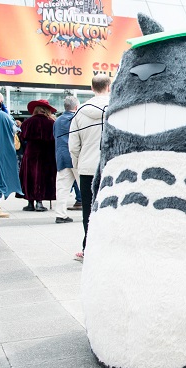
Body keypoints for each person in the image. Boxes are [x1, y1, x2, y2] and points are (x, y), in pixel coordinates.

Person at [70, 75, 111, 262]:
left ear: (92, 88)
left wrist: (77, 165)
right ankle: (111, 248)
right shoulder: (118, 107)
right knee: (113, 208)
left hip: (87, 167)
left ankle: (89, 249)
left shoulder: (80, 112)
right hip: (112, 167)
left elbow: (73, 145)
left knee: (89, 209)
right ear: (109, 86)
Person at [20, 99, 57, 212]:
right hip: (47, 153)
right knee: (43, 176)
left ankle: (30, 202)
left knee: (30, 176)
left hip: (31, 152)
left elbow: (22, 137)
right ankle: (39, 202)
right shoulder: (51, 123)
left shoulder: (28, 122)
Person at [53, 96, 80, 223]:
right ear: (75, 107)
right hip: (76, 157)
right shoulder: (76, 119)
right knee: (84, 187)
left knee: (62, 188)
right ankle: (90, 212)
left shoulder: (57, 121)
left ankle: (60, 214)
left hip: (61, 157)